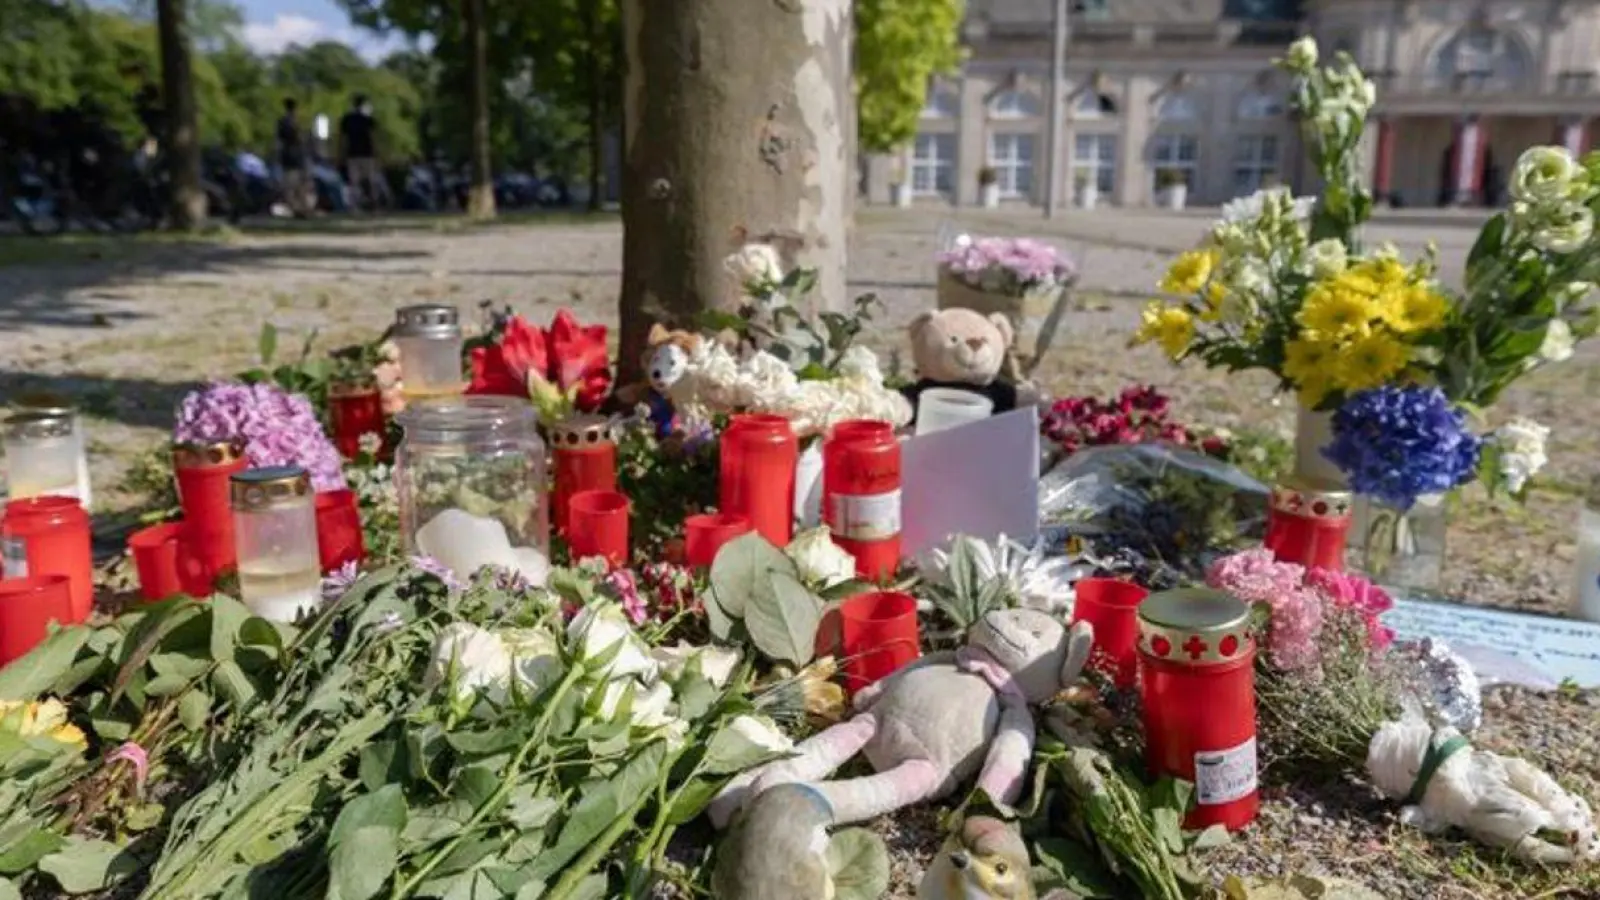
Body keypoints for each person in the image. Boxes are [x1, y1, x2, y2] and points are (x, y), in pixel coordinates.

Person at [340, 95, 386, 210]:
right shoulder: (368, 119)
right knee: (370, 180)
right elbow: (373, 137)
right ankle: (374, 204)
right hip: (367, 153)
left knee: (353, 181)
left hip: (352, 153)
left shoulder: (347, 119)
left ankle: (354, 206)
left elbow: (343, 138)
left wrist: (341, 153)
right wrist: (377, 152)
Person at [277, 97, 312, 216]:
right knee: (299, 185)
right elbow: (299, 140)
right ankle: (301, 208)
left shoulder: (282, 122)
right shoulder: (294, 123)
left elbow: (279, 141)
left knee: (291, 185)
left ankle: (297, 208)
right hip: (297, 157)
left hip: (288, 157)